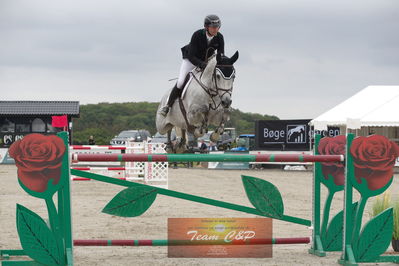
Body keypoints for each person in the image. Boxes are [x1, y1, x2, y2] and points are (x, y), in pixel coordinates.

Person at [159, 14, 225, 117]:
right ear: (206, 27)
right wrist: (202, 65)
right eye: (213, 27)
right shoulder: (197, 35)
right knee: (181, 82)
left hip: (207, 62)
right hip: (190, 60)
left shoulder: (220, 37)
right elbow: (191, 56)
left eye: (217, 27)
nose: (215, 30)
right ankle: (168, 106)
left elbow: (220, 55)